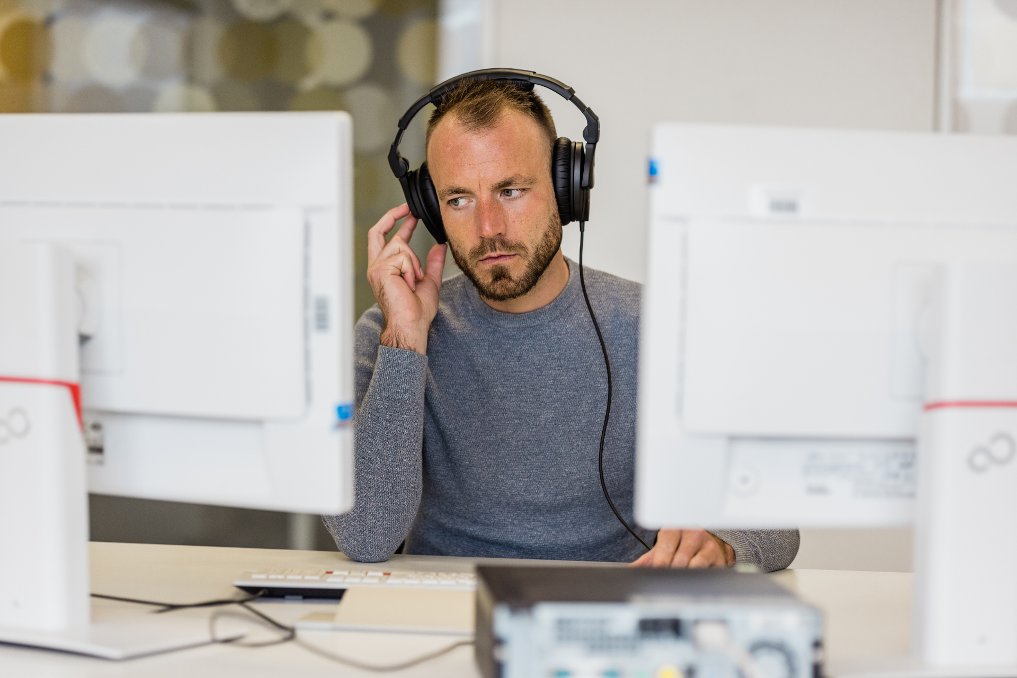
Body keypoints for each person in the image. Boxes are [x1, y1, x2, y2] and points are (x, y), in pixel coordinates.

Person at [324, 77, 799, 571]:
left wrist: (720, 545)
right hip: (444, 614)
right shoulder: (391, 333)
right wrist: (406, 341)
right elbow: (365, 536)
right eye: (459, 199)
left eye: (510, 190)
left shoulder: (657, 328)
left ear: (567, 187)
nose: (488, 228)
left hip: (612, 610)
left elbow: (776, 529)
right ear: (431, 208)